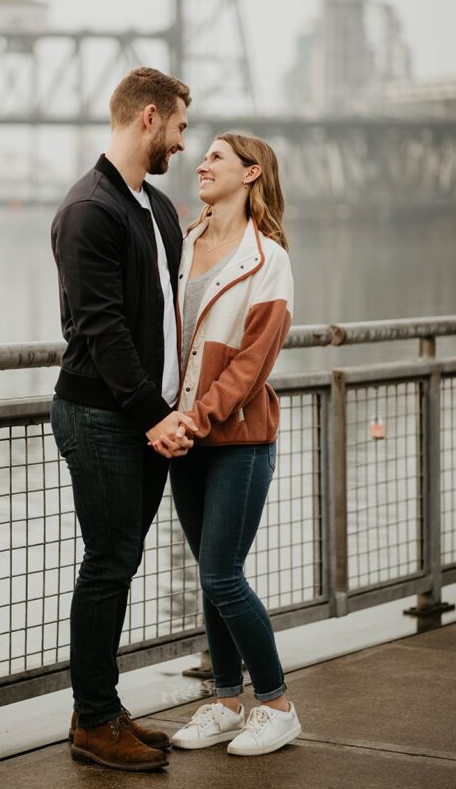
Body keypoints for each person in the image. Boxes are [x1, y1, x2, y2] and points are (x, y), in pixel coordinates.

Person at [50, 67, 197, 772]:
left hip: (144, 421)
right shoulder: (89, 209)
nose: (181, 139)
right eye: (178, 126)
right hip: (102, 416)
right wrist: (152, 416)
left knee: (121, 560)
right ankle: (93, 724)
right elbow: (101, 329)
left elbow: (165, 318)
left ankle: (98, 707)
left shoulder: (157, 208)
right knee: (108, 564)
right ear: (147, 117)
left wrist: (167, 412)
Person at [153, 132, 301, 758]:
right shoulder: (183, 243)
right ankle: (225, 698)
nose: (201, 164)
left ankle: (276, 703)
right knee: (211, 577)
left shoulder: (268, 259)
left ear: (251, 174)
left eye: (216, 156)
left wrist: (197, 416)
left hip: (237, 438)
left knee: (221, 573)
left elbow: (252, 363)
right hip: (188, 437)